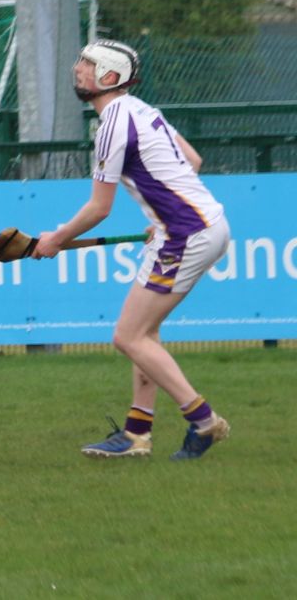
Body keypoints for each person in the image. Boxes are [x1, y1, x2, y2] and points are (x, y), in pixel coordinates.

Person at [31, 40, 231, 461]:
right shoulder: (141, 108)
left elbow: (99, 209)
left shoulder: (110, 126)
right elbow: (191, 160)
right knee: (146, 334)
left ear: (108, 77)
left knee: (127, 336)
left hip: (185, 233)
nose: (78, 69)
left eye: (87, 64)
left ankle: (203, 420)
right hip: (197, 225)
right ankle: (137, 433)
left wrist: (56, 239)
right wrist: (162, 213)